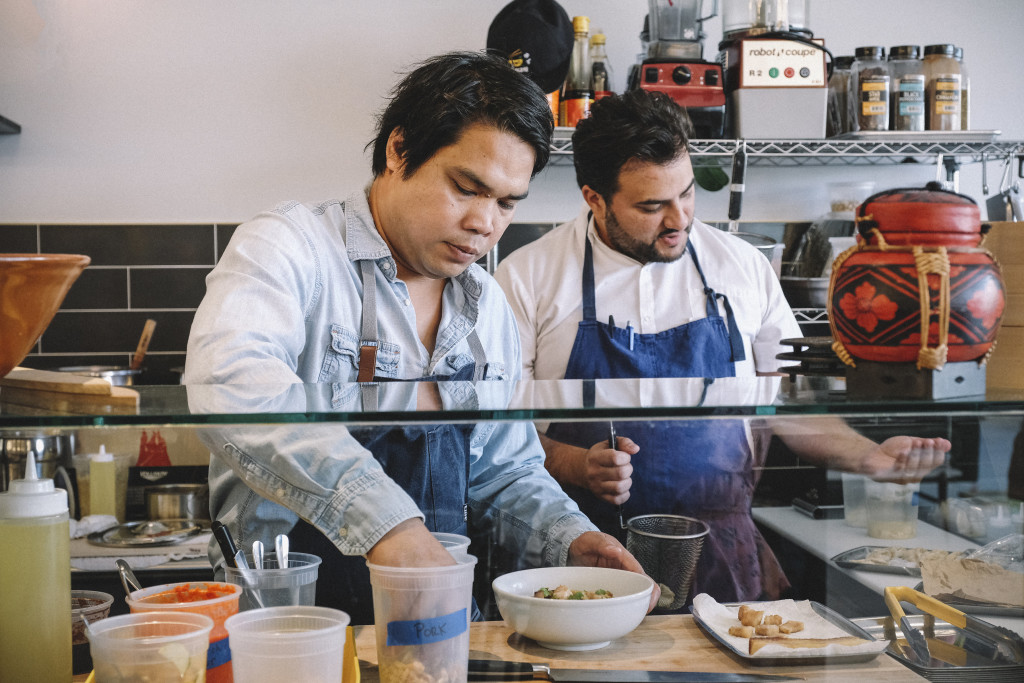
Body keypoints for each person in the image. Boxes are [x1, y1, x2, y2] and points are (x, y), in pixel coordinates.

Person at [184, 51, 655, 623]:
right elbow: (230, 385)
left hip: (441, 624)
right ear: (398, 150)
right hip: (292, 628)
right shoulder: (289, 247)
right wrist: (390, 527)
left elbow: (503, 469)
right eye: (466, 187)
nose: (485, 223)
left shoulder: (486, 308)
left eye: (507, 203)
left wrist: (572, 539)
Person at [494, 89, 950, 604]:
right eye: (652, 205)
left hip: (720, 555)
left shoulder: (743, 267)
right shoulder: (528, 278)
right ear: (594, 197)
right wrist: (577, 463)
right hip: (585, 557)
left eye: (686, 193)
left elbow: (785, 405)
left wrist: (869, 457)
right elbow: (501, 443)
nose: (679, 219)